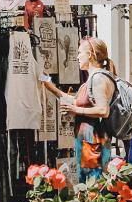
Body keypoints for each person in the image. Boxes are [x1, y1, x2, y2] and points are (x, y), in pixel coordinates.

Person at [44, 37, 116, 183]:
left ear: (89, 55)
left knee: (93, 185)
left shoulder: (98, 79)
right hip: (89, 142)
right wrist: (51, 87)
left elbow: (103, 110)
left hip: (93, 142)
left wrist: (76, 110)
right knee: (88, 185)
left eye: (79, 53)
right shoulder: (93, 79)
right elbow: (77, 101)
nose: (77, 57)